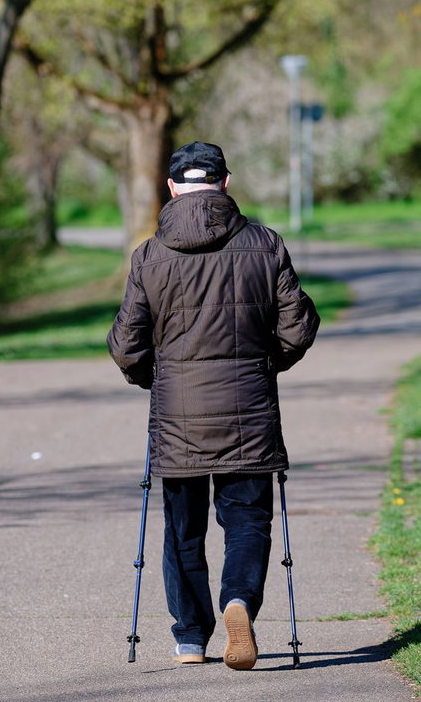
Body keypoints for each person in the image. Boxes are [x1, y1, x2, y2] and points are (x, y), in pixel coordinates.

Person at [107, 140, 320, 670]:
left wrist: (151, 379)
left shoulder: (150, 256)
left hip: (177, 415)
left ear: (173, 187)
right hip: (248, 410)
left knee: (183, 528)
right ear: (226, 183)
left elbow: (126, 344)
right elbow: (298, 327)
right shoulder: (265, 244)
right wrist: (264, 365)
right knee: (247, 520)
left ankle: (190, 638)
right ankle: (239, 602)